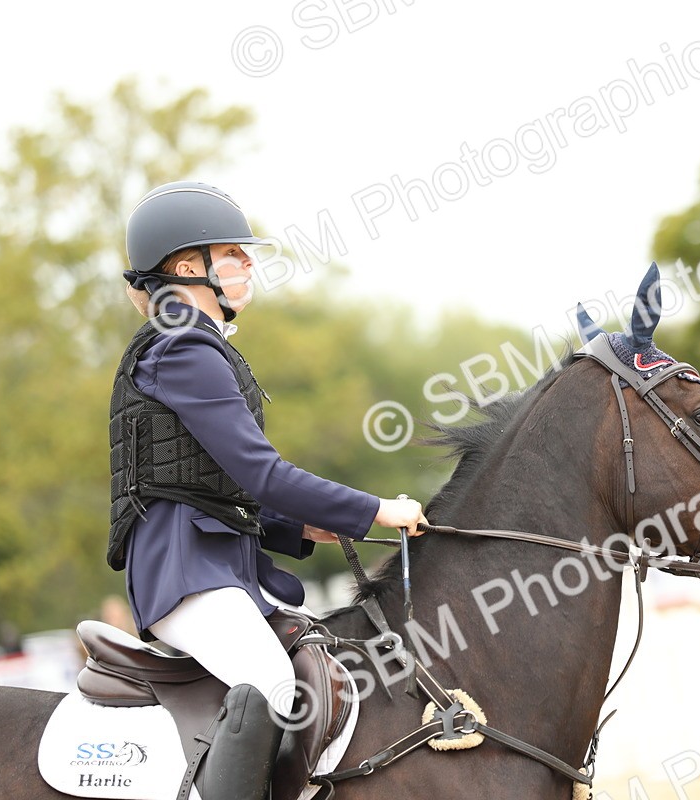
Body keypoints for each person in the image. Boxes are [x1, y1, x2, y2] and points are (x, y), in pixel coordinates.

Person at [111, 181, 426, 800]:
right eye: (233, 254)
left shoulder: (198, 347)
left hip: (221, 567)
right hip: (185, 574)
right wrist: (375, 510)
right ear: (186, 268)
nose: (248, 266)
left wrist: (300, 527)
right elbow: (262, 474)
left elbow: (218, 483)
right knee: (274, 690)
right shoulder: (182, 350)